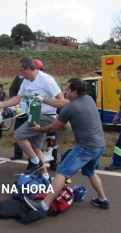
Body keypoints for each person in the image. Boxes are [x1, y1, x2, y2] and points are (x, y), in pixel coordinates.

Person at [23, 77, 109, 218]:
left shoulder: (71, 108)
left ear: (74, 92)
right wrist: (42, 99)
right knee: (90, 171)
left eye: (67, 89)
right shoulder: (88, 99)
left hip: (85, 147)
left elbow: (52, 127)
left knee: (61, 172)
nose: (65, 91)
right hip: (99, 145)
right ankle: (103, 200)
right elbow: (63, 103)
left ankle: (44, 206)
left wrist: (37, 129)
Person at [0, 57, 64, 179]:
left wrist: (62, 118)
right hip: (34, 115)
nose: (19, 73)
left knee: (18, 135)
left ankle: (35, 163)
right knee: (36, 147)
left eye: (21, 70)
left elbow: (61, 99)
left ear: (28, 69)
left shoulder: (46, 80)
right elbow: (17, 99)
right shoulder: (26, 81)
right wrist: (0, 105)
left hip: (45, 116)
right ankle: (45, 176)